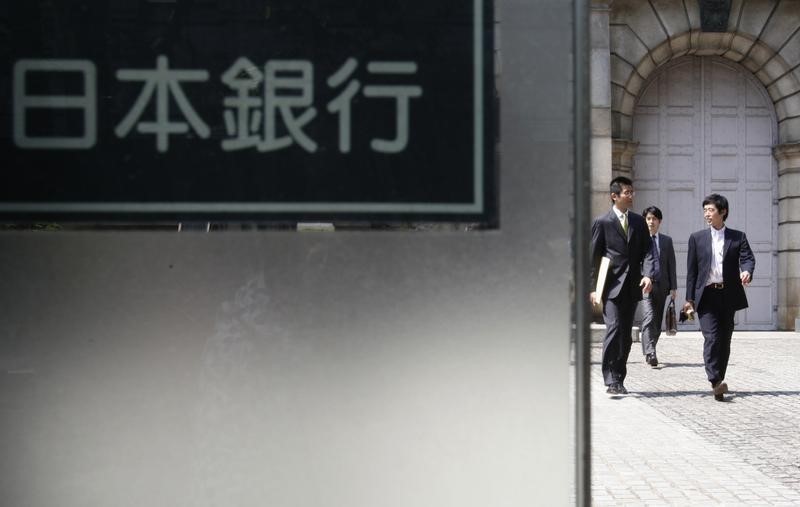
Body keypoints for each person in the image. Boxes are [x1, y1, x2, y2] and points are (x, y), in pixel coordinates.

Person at [684, 194, 755, 402]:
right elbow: (692, 271)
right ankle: (715, 380)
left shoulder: (737, 236)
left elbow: (748, 258)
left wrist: (746, 271)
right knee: (712, 337)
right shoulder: (696, 238)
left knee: (725, 340)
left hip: (728, 294)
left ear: (722, 211)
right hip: (706, 295)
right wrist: (689, 299)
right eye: (705, 210)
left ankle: (719, 379)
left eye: (711, 210)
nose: (707, 213)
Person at [590, 176, 655, 395]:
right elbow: (594, 257)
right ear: (614, 196)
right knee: (614, 328)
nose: (631, 196)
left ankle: (619, 377)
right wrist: (592, 288)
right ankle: (610, 378)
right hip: (610, 286)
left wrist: (648, 275)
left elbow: (648, 251)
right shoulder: (603, 222)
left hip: (632, 286)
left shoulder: (638, 221)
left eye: (632, 192)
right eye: (626, 192)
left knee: (625, 334)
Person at [639, 206, 677, 367]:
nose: (651, 222)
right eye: (648, 219)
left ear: (659, 221)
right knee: (648, 317)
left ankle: (651, 348)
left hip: (662, 286)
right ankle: (650, 352)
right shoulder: (639, 240)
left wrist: (674, 287)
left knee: (657, 322)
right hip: (645, 286)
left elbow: (671, 265)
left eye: (654, 219)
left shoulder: (666, 241)